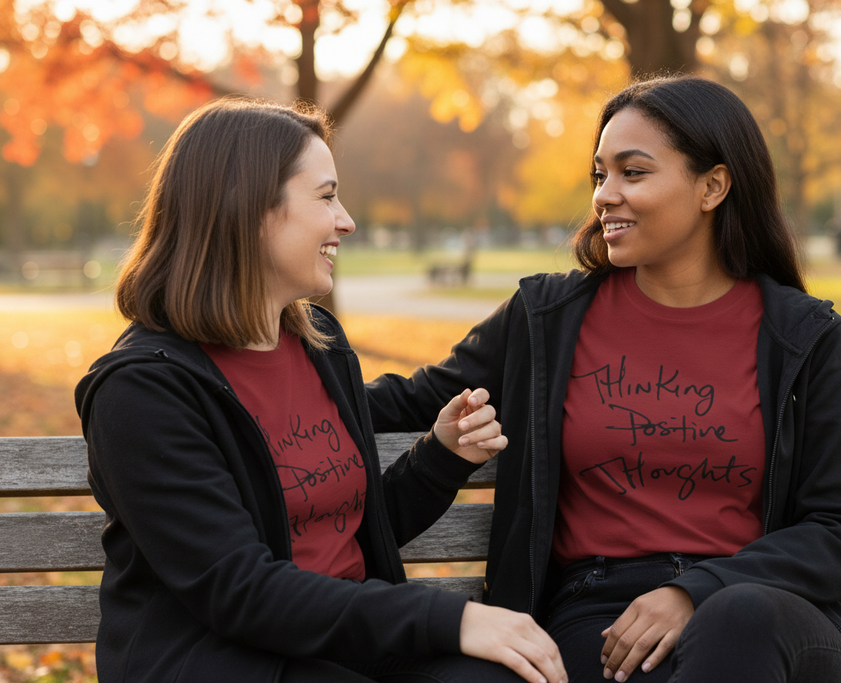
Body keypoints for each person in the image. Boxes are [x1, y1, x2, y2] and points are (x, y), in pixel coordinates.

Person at [365, 75, 841, 683]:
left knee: (736, 622)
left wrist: (697, 591)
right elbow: (410, 400)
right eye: (599, 175)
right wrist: (253, 382)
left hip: (766, 612)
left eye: (632, 173)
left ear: (713, 186)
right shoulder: (547, 319)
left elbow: (840, 529)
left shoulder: (803, 336)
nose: (605, 195)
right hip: (599, 615)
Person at [74, 98, 566, 683]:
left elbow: (344, 529)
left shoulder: (319, 343)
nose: (346, 220)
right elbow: (240, 590)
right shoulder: (142, 392)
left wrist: (440, 457)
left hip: (345, 646)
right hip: (227, 662)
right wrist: (448, 616)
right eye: (327, 196)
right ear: (250, 207)